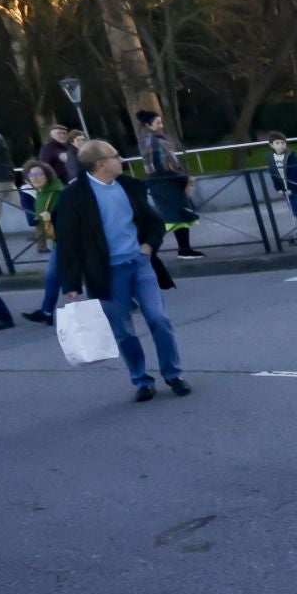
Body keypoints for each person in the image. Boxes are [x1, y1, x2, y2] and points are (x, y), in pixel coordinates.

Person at [53, 139, 189, 399]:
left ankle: (173, 375)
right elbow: (68, 242)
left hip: (139, 264)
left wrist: (148, 246)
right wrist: (70, 284)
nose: (122, 160)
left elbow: (154, 222)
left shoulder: (129, 186)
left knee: (159, 319)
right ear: (101, 164)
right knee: (123, 330)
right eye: (116, 155)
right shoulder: (73, 197)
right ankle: (141, 380)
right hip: (106, 272)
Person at [135, 110, 203, 258]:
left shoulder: (151, 139)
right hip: (165, 182)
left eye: (161, 122)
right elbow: (158, 164)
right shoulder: (153, 141)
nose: (161, 125)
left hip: (166, 181)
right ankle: (154, 249)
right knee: (173, 217)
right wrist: (180, 176)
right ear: (148, 125)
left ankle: (184, 249)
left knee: (177, 217)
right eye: (158, 123)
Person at [16, 161, 64, 326]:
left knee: (52, 276)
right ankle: (46, 312)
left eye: (39, 174)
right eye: (31, 175)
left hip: (68, 243)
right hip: (59, 243)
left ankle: (46, 312)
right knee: (52, 277)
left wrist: (52, 219)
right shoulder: (42, 194)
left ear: (47, 175)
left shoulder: (57, 192)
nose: (35, 178)